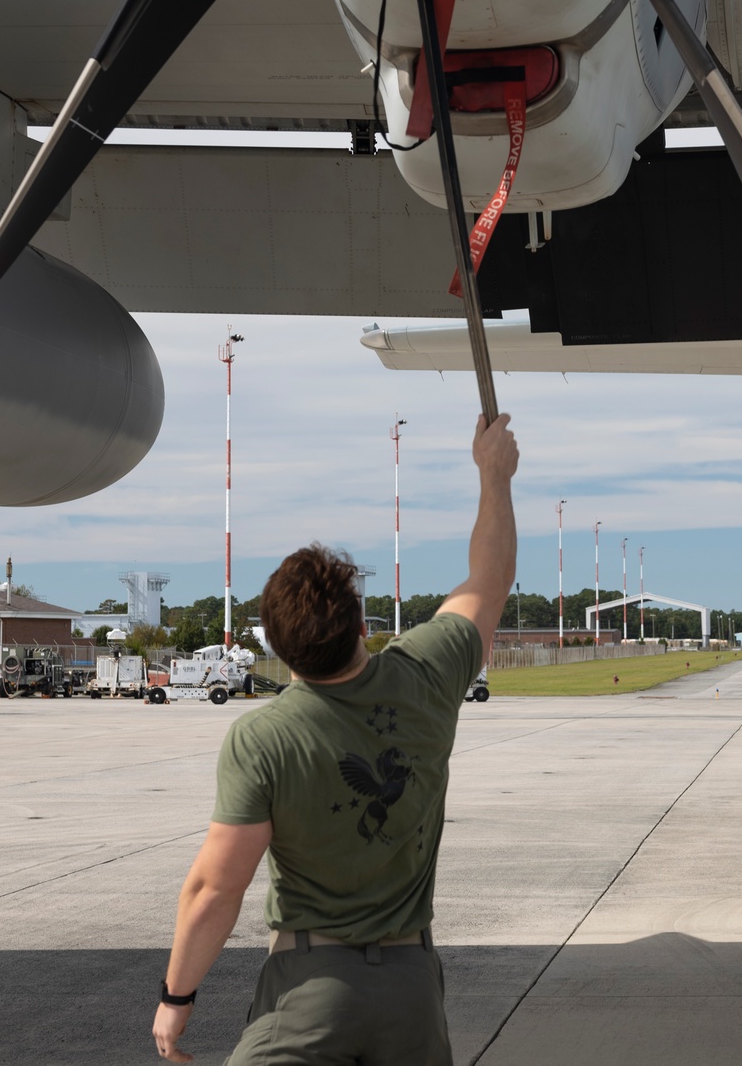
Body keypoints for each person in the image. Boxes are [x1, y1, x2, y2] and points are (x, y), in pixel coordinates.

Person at [152, 413, 519, 1064]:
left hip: (310, 989)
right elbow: (487, 583)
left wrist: (176, 998)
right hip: (412, 992)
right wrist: (494, 474)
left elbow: (215, 888)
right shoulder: (428, 675)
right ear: (360, 626)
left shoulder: (265, 737)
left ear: (279, 646)